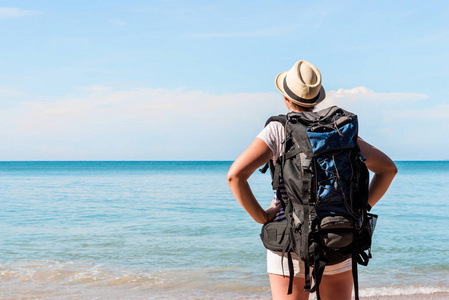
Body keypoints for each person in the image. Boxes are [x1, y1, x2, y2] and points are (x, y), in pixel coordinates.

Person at [227, 60, 397, 300]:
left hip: (289, 242)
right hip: (337, 236)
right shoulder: (339, 130)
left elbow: (235, 176)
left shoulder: (278, 129)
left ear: (286, 98)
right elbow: (388, 169)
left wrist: (262, 216)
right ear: (317, 99)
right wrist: (361, 208)